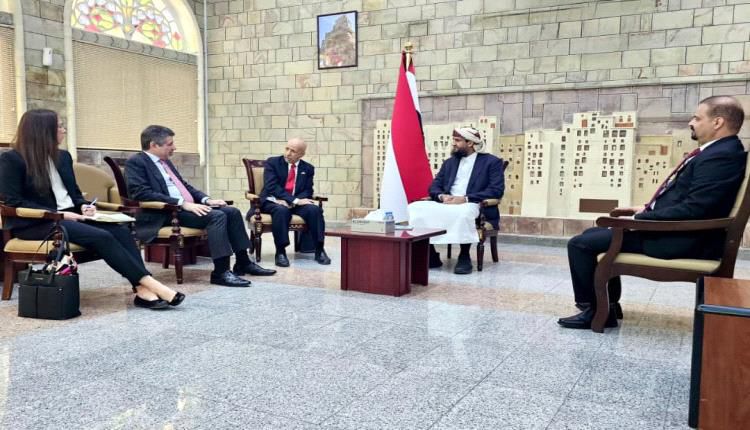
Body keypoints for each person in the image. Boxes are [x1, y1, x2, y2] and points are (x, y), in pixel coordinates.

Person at [559, 95, 748, 329]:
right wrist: (645, 208)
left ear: (717, 122)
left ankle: (594, 310)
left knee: (580, 245)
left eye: (697, 118)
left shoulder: (721, 156)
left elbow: (696, 208)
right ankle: (608, 306)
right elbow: (693, 200)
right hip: (680, 232)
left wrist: (639, 218)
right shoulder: (720, 151)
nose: (691, 122)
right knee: (591, 236)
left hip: (682, 239)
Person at [0, 109, 184, 310]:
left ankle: (142, 290)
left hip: (70, 216)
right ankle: (152, 285)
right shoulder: (12, 160)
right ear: (43, 130)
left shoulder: (63, 157)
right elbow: (13, 201)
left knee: (121, 231)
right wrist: (60, 215)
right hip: (36, 223)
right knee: (101, 236)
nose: (64, 130)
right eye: (60, 126)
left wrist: (83, 205)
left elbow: (74, 193)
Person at [125, 125, 276, 287]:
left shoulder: (165, 162)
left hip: (183, 209)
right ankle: (221, 272)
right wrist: (182, 204)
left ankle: (243, 262)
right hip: (163, 214)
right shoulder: (136, 162)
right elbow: (141, 193)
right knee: (216, 216)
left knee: (232, 212)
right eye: (170, 144)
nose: (174, 147)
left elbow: (184, 186)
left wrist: (206, 200)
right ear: (154, 145)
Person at [407, 127, 505, 274]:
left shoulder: (491, 162)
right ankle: (430, 254)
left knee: (464, 212)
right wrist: (442, 196)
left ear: (470, 143)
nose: (453, 143)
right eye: (453, 140)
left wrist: (464, 199)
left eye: (457, 140)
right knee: (415, 208)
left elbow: (496, 190)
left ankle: (464, 255)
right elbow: (434, 186)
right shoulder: (449, 163)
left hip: (473, 203)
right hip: (448, 202)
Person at [259, 137, 330, 267]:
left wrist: (293, 202)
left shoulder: (308, 168)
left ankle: (319, 249)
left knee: (314, 210)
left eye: (293, 151)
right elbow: (271, 186)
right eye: (287, 149)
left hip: (295, 203)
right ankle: (280, 252)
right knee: (281, 211)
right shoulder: (272, 162)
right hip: (273, 200)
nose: (288, 153)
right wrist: (293, 200)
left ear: (301, 154)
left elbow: (308, 190)